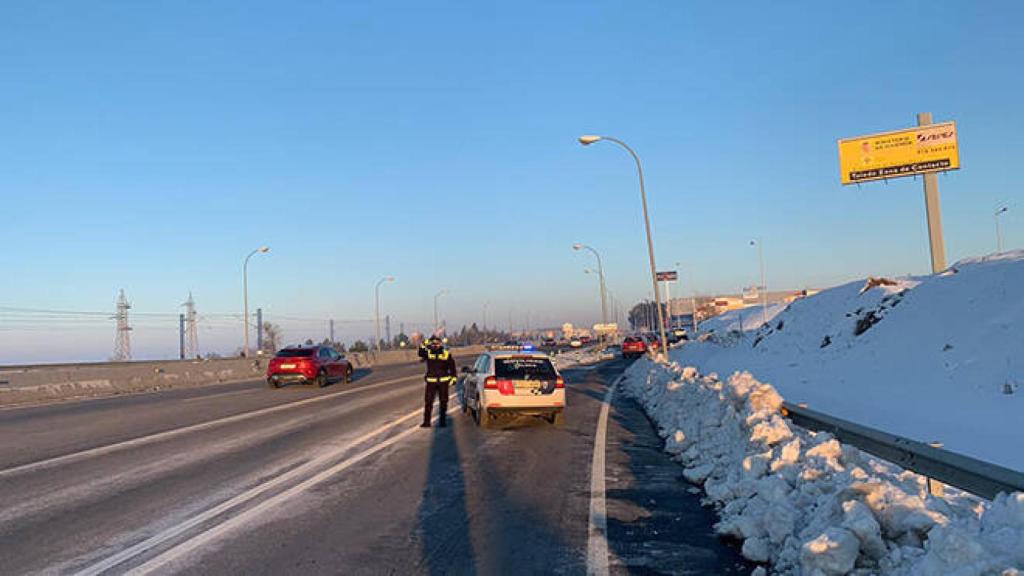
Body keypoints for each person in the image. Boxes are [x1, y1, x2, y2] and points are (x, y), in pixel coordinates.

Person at [420, 335, 456, 428]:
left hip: (443, 382)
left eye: (437, 343)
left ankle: (442, 422)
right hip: (431, 382)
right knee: (428, 402)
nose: (435, 345)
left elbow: (452, 366)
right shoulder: (428, 353)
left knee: (443, 402)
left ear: (441, 344)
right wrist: (427, 341)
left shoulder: (446, 353)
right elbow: (420, 351)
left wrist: (453, 378)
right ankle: (426, 422)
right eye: (433, 343)